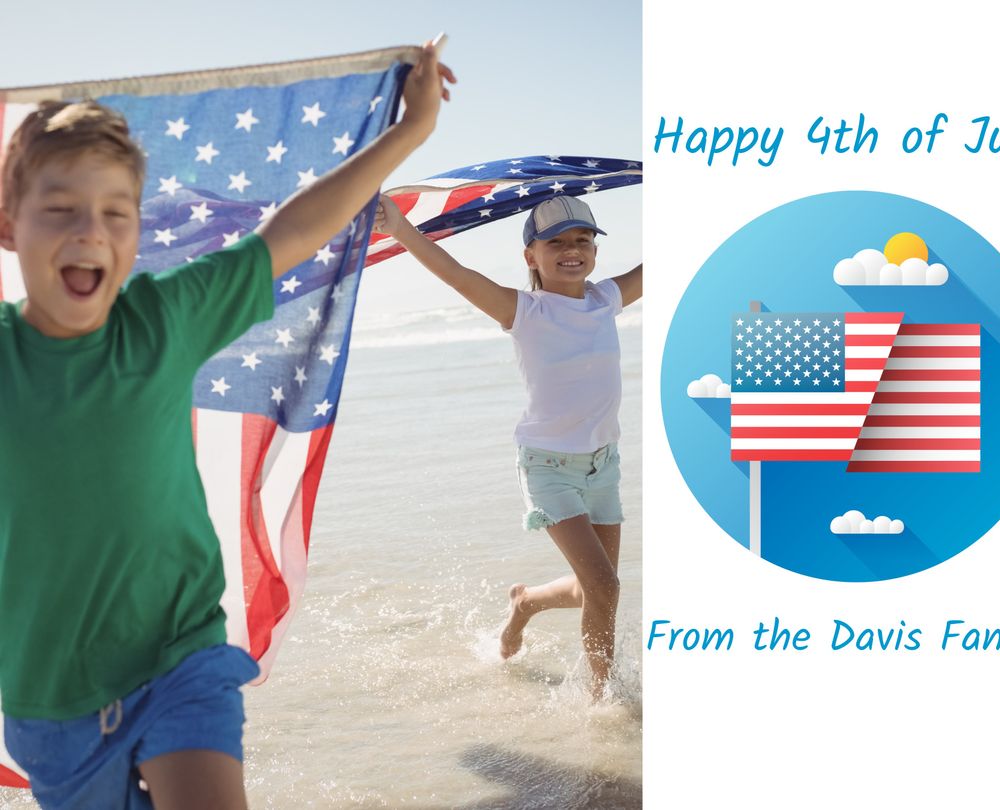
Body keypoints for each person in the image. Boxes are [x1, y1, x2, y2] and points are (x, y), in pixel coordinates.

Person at [0, 43, 454, 810]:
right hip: (51, 699)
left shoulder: (165, 317)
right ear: (9, 227)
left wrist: (409, 131)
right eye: (60, 209)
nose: (91, 230)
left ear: (139, 235)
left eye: (116, 212)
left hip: (179, 656)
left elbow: (292, 231)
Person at [373, 193, 642, 699]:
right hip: (549, 467)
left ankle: (525, 603)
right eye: (556, 242)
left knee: (592, 587)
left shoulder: (605, 299)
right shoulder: (524, 310)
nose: (572, 250)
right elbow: (455, 274)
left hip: (604, 464)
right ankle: (601, 700)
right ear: (530, 256)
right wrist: (402, 228)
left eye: (582, 240)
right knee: (606, 588)